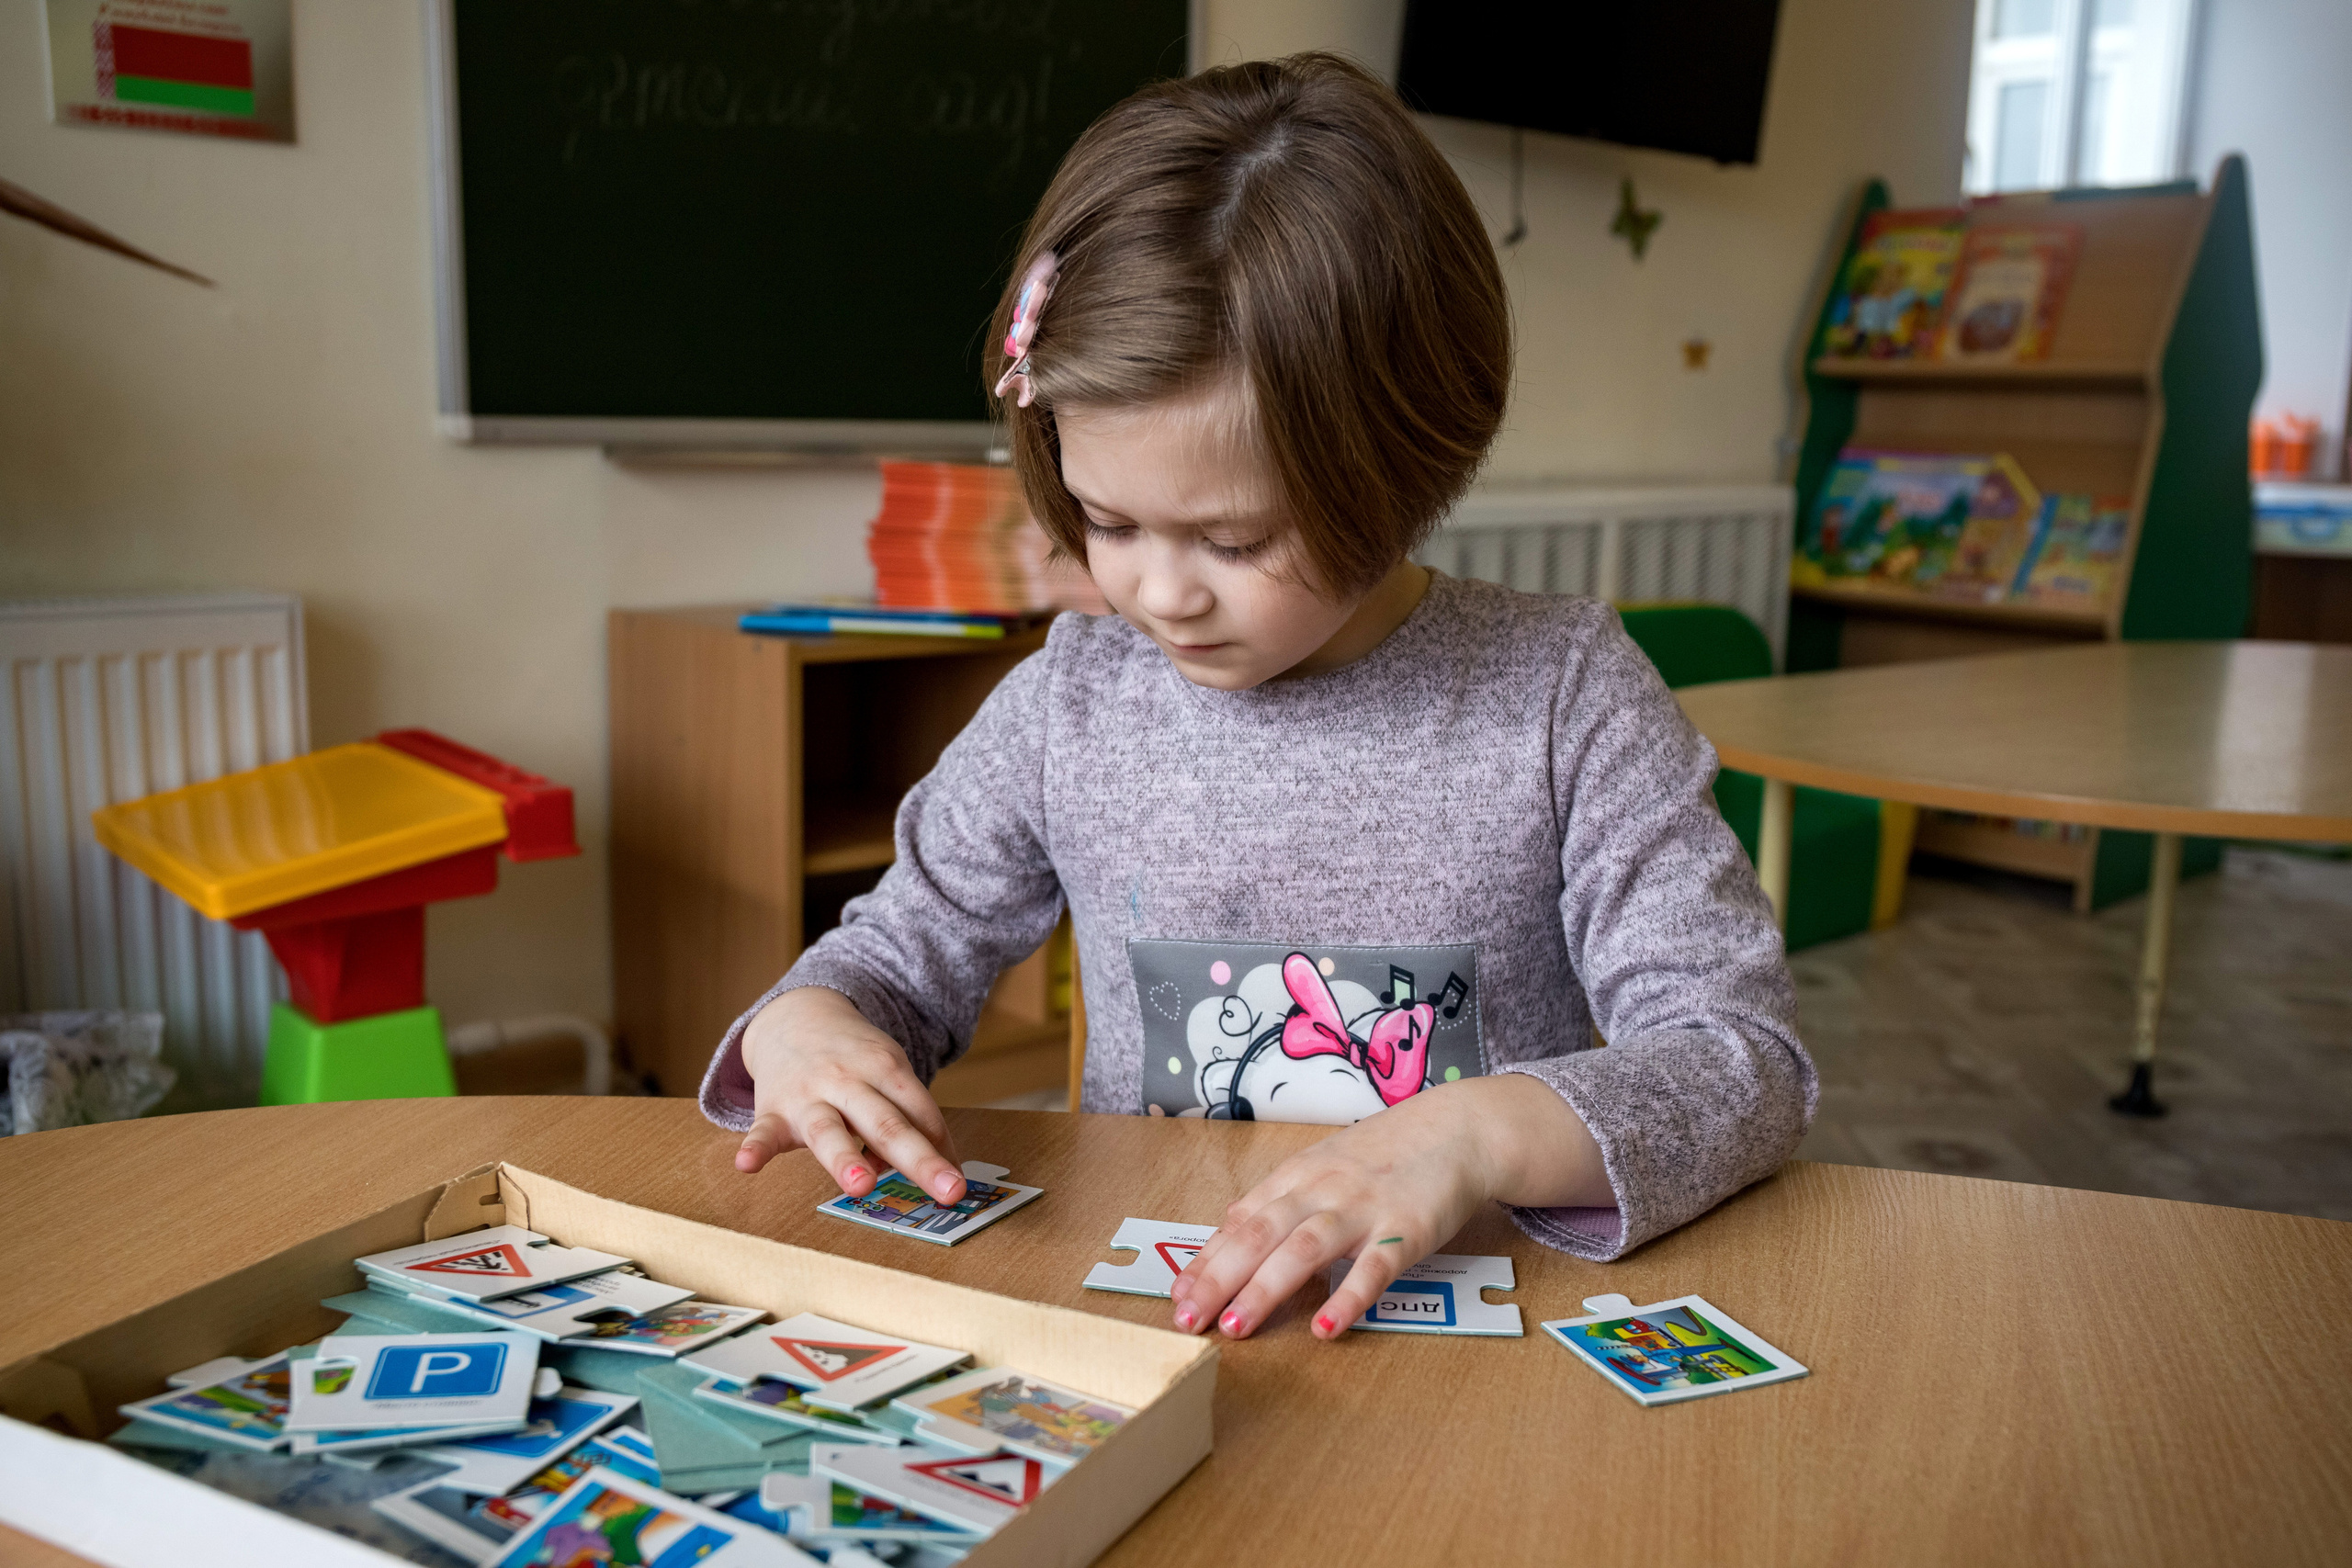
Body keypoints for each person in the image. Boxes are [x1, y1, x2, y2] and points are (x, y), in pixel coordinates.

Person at [701, 52, 1812, 1343]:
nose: (1159, 595)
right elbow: (894, 960)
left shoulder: (1567, 698)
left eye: (1232, 543)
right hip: (1169, 1330)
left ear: (1406, 459)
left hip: (1489, 1347)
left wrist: (1468, 1137)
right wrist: (810, 1027)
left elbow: (1743, 1063)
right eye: (1107, 521)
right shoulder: (1071, 707)